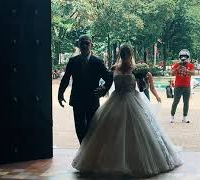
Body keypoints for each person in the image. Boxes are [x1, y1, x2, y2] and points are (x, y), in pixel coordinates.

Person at [72, 44, 182, 178]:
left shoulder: (136, 69)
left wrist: (143, 79)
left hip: (132, 101)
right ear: (120, 54)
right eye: (122, 53)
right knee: (110, 132)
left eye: (126, 53)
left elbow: (141, 88)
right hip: (116, 100)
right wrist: (102, 91)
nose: (124, 55)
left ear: (130, 54)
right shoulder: (114, 69)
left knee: (137, 132)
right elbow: (107, 85)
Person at [58, 35, 113, 144]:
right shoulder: (73, 61)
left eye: (87, 43)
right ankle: (82, 151)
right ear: (78, 45)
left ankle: (88, 153)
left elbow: (109, 78)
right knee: (79, 128)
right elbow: (65, 78)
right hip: (77, 100)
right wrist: (60, 94)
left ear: (91, 45)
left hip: (92, 100)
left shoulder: (98, 62)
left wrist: (104, 90)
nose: (84, 45)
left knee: (92, 129)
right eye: (82, 43)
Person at [170, 49, 195, 123]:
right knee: (175, 101)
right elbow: (172, 74)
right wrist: (177, 68)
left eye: (185, 56)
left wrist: (187, 70)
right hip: (178, 86)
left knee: (186, 102)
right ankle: (172, 116)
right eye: (182, 56)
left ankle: (185, 117)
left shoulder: (190, 65)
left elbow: (193, 73)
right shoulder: (176, 65)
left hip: (187, 86)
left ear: (188, 57)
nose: (183, 58)